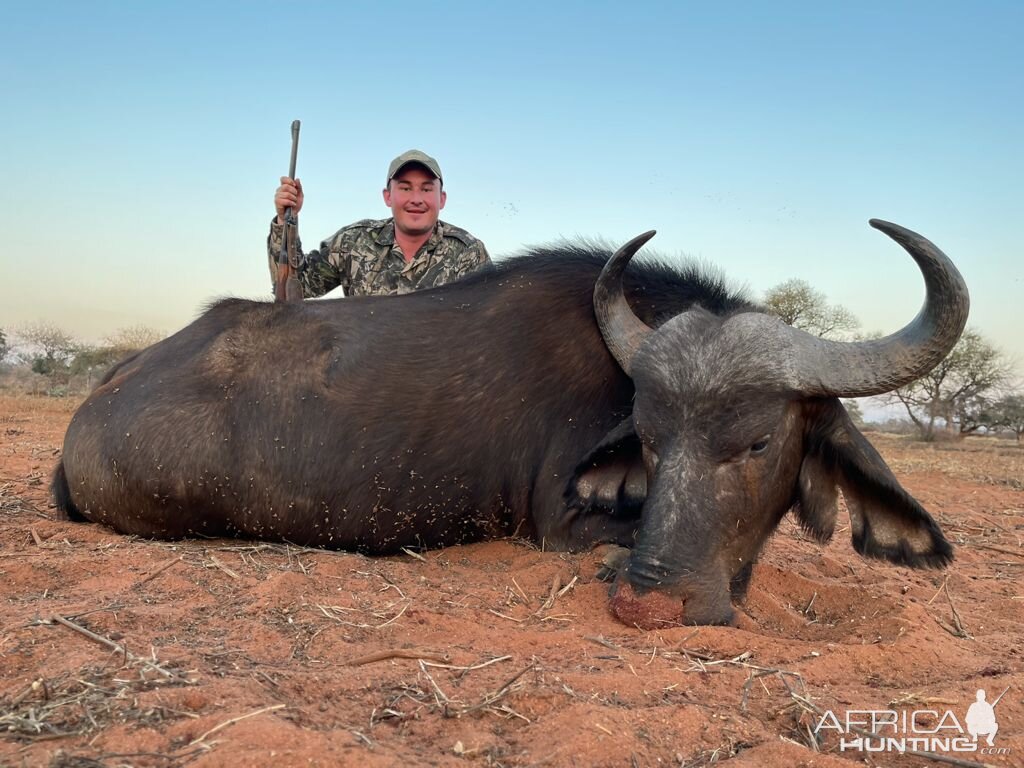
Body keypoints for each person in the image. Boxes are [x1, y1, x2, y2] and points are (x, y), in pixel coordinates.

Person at [267, 149, 490, 299]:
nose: (416, 199)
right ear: (387, 196)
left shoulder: (468, 253)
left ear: (441, 199)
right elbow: (293, 289)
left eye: (426, 189)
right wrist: (286, 220)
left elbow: (492, 320)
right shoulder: (353, 242)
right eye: (405, 188)